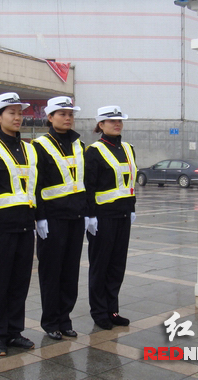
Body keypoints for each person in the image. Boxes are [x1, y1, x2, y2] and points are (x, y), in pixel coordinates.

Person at [0, 92, 38, 356]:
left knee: (20, 282)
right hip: (0, 227)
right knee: (0, 283)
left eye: (19, 112)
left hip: (25, 225)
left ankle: (15, 331)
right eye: (11, 113)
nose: (17, 117)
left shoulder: (29, 148)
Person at [33, 96, 86, 340]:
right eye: (62, 114)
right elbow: (36, 184)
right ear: (50, 117)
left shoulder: (79, 144)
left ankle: (65, 319)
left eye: (70, 114)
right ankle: (50, 321)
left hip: (75, 217)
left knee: (70, 272)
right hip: (52, 219)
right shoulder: (39, 145)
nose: (68, 118)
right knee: (51, 272)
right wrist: (40, 217)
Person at [85, 106, 137, 330]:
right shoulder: (94, 151)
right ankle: (99, 312)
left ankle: (112, 309)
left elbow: (130, 182)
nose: (117, 124)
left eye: (119, 120)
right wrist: (90, 216)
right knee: (100, 266)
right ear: (101, 125)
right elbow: (89, 186)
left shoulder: (128, 148)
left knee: (117, 266)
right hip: (102, 217)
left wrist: (132, 207)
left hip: (123, 215)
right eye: (111, 121)